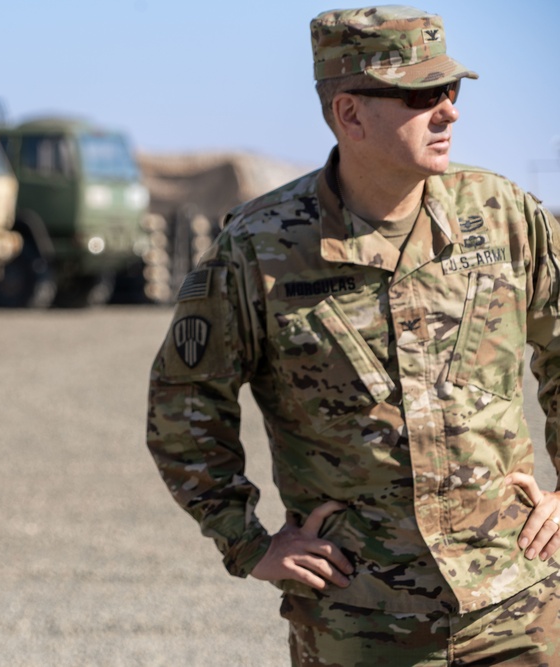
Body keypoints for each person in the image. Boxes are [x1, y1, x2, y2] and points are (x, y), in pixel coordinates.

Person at [146, 6, 560, 665]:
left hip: (517, 607)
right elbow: (184, 401)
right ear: (351, 113)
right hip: (361, 624)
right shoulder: (259, 247)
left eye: (451, 91)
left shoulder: (504, 216)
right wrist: (247, 541)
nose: (449, 112)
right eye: (423, 96)